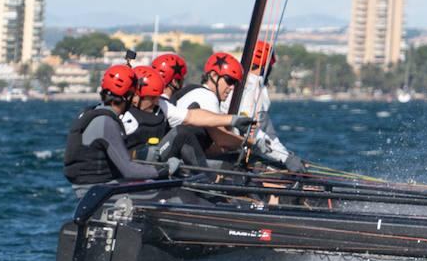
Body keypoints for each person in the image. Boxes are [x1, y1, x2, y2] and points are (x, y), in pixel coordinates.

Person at [63, 65, 178, 196]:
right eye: (133, 94)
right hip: (101, 191)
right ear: (126, 97)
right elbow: (129, 170)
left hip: (89, 188)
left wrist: (139, 154)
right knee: (168, 195)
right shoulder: (107, 122)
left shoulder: (91, 112)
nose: (134, 100)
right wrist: (165, 170)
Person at [123, 65, 252, 167]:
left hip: (156, 160)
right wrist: (138, 155)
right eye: (152, 98)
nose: (157, 102)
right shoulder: (125, 118)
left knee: (183, 132)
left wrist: (233, 120)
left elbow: (192, 116)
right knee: (181, 134)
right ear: (135, 96)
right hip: (136, 168)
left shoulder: (162, 106)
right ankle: (208, 184)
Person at [238, 40, 305, 173]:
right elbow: (249, 130)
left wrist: (288, 156)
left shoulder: (245, 83)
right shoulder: (254, 88)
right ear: (267, 65)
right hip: (239, 160)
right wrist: (286, 159)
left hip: (246, 155)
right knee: (292, 179)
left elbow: (268, 134)